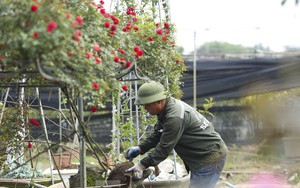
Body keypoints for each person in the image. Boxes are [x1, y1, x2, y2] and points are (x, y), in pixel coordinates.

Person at [125, 81, 228, 188]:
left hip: (208, 157)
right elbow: (159, 134)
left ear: (159, 101)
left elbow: (164, 148)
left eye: (147, 105)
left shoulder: (174, 117)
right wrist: (140, 148)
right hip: (200, 156)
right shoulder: (167, 109)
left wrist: (142, 165)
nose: (145, 108)